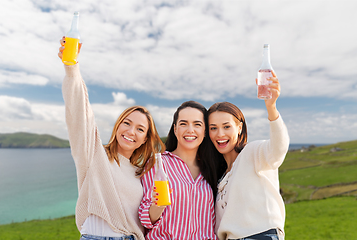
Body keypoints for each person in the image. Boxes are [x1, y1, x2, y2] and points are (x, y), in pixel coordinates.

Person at [58, 36, 165, 240]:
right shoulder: (94, 156)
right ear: (118, 126)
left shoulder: (140, 173)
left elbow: (146, 219)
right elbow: (82, 115)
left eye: (140, 129)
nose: (131, 131)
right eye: (127, 123)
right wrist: (72, 68)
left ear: (145, 139)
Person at [208, 72, 289, 240]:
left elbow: (277, 150)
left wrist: (271, 108)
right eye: (213, 128)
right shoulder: (221, 177)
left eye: (226, 126)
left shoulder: (253, 153)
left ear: (239, 128)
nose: (220, 134)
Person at [138, 100, 218, 240]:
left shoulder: (211, 169)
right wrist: (158, 206)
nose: (190, 130)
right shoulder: (158, 164)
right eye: (183, 123)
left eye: (197, 124)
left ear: (205, 131)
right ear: (175, 129)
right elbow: (144, 218)